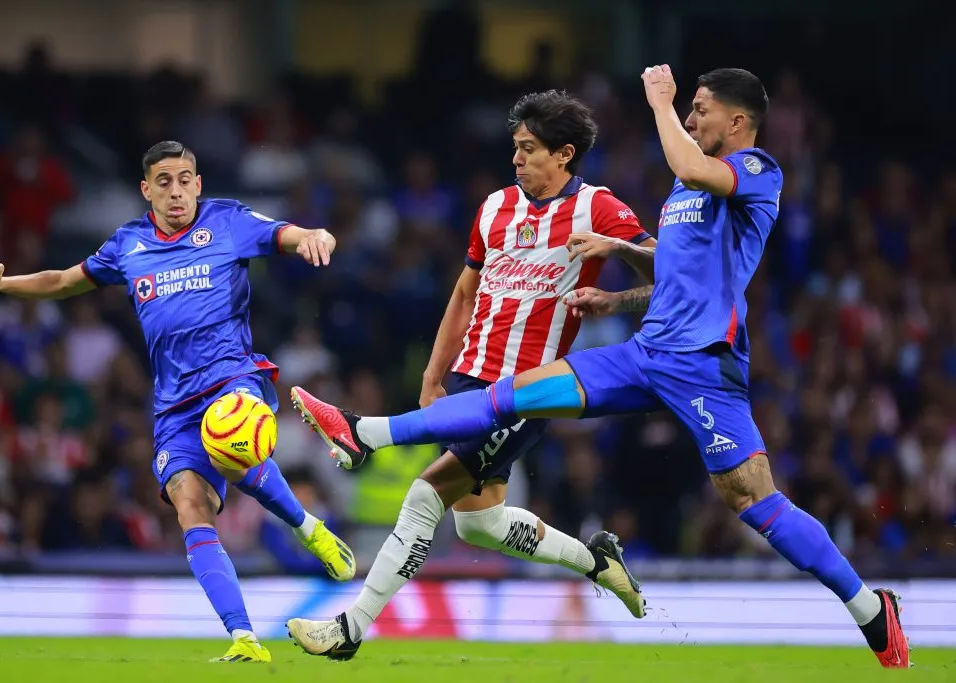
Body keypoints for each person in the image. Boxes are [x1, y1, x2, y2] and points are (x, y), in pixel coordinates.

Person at [287, 68, 910, 668]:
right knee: (514, 404)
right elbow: (671, 274)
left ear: (738, 119)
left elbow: (689, 169)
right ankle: (364, 433)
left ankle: (868, 608)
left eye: (701, 108)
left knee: (751, 499)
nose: (690, 116)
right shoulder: (681, 191)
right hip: (644, 354)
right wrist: (615, 292)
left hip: (702, 367)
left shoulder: (753, 169)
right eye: (687, 107)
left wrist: (661, 105)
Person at [284, 90, 657, 660]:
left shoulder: (599, 208)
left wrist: (613, 258)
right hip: (466, 381)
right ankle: (596, 560)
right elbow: (465, 293)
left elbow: (669, 269)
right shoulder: (493, 208)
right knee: (478, 527)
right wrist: (435, 374)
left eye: (530, 149)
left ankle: (351, 627)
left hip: (526, 390)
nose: (517, 158)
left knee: (424, 495)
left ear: (565, 154)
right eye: (515, 148)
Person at [0, 141, 356, 664]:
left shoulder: (227, 221)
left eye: (185, 179)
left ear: (198, 184)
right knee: (190, 507)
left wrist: (313, 234)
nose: (176, 191)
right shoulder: (128, 245)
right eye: (165, 181)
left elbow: (287, 234)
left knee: (233, 441)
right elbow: (63, 281)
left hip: (231, 380)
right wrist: (4, 284)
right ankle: (244, 636)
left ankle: (308, 530)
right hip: (173, 406)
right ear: (146, 189)